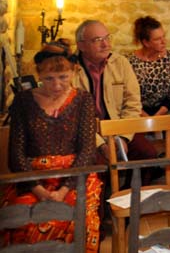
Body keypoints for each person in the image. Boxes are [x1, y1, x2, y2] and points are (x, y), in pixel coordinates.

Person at [2, 41, 102, 251]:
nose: (57, 85)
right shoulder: (23, 101)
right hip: (32, 178)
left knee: (77, 219)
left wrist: (64, 189)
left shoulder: (83, 100)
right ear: (38, 75)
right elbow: (16, 154)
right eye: (49, 78)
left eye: (63, 77)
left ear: (73, 72)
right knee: (22, 220)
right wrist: (39, 190)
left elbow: (87, 151)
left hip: (75, 176)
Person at [73, 20, 157, 165]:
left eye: (107, 38)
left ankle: (132, 181)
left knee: (147, 154)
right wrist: (101, 144)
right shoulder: (71, 69)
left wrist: (123, 137)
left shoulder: (121, 63)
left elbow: (133, 104)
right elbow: (74, 116)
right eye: (97, 40)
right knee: (97, 164)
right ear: (81, 45)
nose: (105, 44)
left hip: (119, 128)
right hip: (87, 134)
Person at [127, 16, 170, 116]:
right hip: (137, 112)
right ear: (146, 42)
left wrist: (156, 117)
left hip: (165, 112)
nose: (164, 41)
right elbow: (128, 95)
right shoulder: (130, 61)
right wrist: (145, 117)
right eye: (158, 39)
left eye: (163, 36)